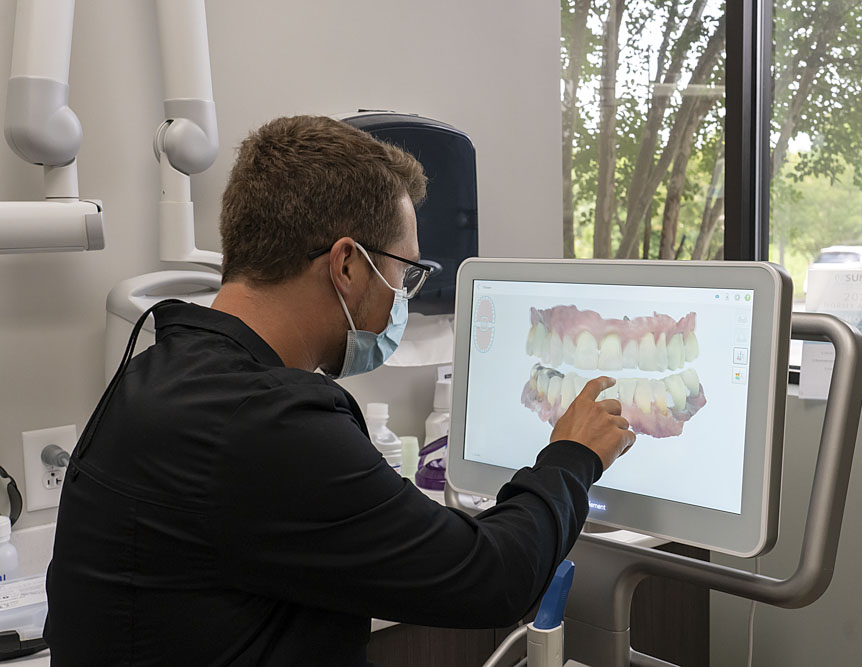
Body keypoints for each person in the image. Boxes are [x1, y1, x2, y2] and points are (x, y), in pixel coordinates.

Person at [44, 116, 635, 666]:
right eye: (406, 272)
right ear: (347, 265)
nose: (402, 296)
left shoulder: (160, 372)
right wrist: (573, 456)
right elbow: (492, 578)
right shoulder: (268, 421)